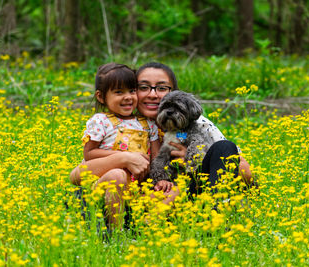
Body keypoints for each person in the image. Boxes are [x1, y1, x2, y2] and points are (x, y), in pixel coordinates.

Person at [70, 62, 253, 204]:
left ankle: (216, 212)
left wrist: (197, 161)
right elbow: (77, 174)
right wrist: (125, 158)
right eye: (143, 87)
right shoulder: (128, 125)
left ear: (174, 92)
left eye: (162, 88)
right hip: (141, 197)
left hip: (191, 194)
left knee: (222, 149)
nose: (153, 94)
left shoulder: (199, 125)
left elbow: (243, 169)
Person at [73, 62, 160, 227]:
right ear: (101, 97)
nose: (128, 97)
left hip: (138, 187)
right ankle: (115, 233)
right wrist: (124, 157)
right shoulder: (101, 121)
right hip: (106, 184)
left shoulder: (148, 124)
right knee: (117, 175)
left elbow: (157, 159)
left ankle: (138, 228)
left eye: (132, 91)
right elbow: (89, 154)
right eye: (119, 92)